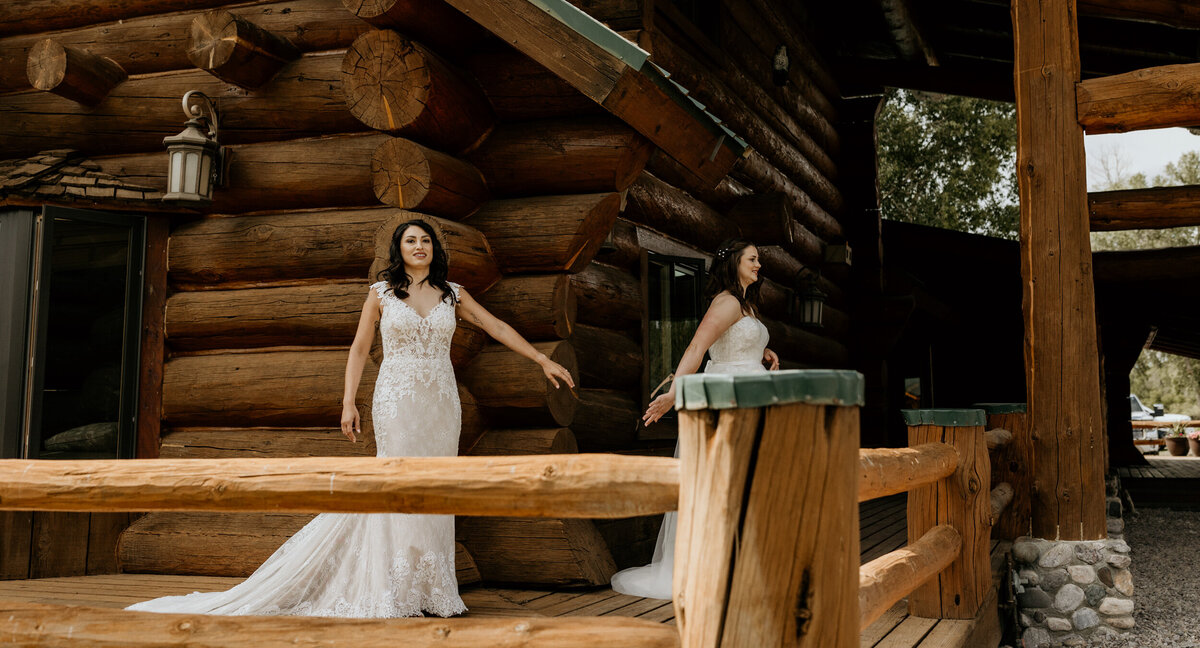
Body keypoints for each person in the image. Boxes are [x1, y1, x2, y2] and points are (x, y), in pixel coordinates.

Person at [128, 219, 573, 618]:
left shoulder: (454, 293)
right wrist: (348, 401)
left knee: (437, 487)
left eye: (425, 241)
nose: (419, 246)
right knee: (394, 481)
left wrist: (540, 359)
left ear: (435, 249)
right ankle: (391, 587)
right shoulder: (380, 294)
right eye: (410, 241)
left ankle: (431, 589)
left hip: (440, 403)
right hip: (397, 399)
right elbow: (359, 349)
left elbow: (495, 326)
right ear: (398, 251)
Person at [609, 238, 778, 600]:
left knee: (746, 482)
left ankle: (744, 564)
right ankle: (715, 568)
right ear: (734, 263)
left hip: (749, 396)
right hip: (727, 400)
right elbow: (697, 347)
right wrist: (676, 391)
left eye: (759, 259)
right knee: (722, 482)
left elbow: (732, 342)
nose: (759, 265)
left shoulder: (745, 304)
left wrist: (761, 351)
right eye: (753, 258)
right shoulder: (728, 301)